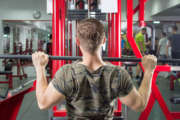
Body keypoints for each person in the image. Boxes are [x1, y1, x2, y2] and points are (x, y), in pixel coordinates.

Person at [32, 19, 157, 120]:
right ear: (103, 41)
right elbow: (139, 105)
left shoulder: (67, 73)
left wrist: (40, 67)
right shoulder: (117, 74)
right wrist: (149, 71)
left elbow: (43, 103)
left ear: (77, 42)